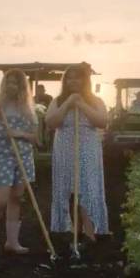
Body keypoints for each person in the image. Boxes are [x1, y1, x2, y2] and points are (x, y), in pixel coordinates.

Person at [45, 63, 109, 242]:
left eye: (77, 77)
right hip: (65, 149)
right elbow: (51, 122)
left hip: (87, 149)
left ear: (85, 80)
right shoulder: (57, 101)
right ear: (65, 81)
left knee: (86, 188)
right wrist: (68, 103)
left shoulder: (96, 101)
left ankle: (89, 232)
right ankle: (71, 229)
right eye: (69, 78)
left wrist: (81, 104)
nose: (73, 81)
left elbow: (102, 121)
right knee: (68, 189)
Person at [0, 68, 39, 255]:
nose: (12, 85)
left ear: (22, 86)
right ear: (4, 84)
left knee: (16, 199)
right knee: (0, 201)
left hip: (23, 156)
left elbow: (36, 138)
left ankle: (12, 242)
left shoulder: (28, 106)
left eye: (16, 82)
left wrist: (19, 134)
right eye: (9, 82)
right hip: (2, 155)